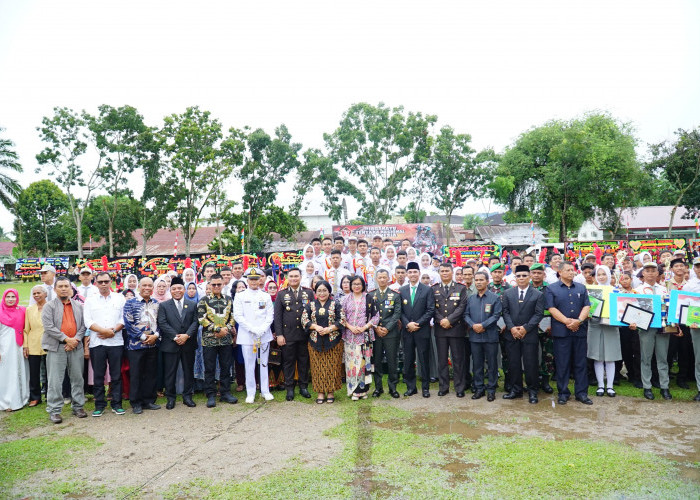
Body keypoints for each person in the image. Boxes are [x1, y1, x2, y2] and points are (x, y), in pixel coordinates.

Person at [545, 261, 593, 405]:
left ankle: (581, 393)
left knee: (580, 363)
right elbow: (552, 309)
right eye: (568, 270)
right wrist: (567, 321)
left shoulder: (581, 287)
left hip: (579, 331)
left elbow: (587, 306)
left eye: (573, 270)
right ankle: (563, 392)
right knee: (562, 363)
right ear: (560, 272)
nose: (572, 272)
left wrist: (578, 321)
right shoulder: (551, 289)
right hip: (561, 332)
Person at [41, 277, 87, 423]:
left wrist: (75, 340)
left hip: (76, 346)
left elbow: (83, 326)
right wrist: (67, 339)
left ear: (71, 288)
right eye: (60, 286)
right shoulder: (49, 306)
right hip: (57, 348)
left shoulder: (79, 306)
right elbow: (49, 327)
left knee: (77, 378)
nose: (63, 289)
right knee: (55, 380)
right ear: (55, 289)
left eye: (66, 286)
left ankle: (78, 406)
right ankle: (54, 410)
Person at [83, 272, 126, 416]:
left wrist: (112, 331)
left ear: (111, 282)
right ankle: (99, 405)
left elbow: (123, 318)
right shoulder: (90, 300)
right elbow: (88, 321)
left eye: (106, 281)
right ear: (95, 283)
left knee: (116, 375)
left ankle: (116, 403)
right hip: (97, 342)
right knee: (98, 375)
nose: (103, 284)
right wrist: (104, 331)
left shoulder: (119, 298)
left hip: (116, 342)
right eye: (100, 282)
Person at [501, 265, 545, 404]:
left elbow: (539, 314)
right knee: (514, 363)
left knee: (531, 363)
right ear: (515, 277)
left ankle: (532, 391)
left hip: (529, 334)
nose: (521, 278)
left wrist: (525, 328)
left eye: (524, 275)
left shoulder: (538, 294)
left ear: (530, 277)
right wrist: (512, 328)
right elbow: (505, 312)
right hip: (512, 334)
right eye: (518, 276)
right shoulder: (508, 293)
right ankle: (516, 390)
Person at [157, 277, 199, 409]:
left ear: (184, 289)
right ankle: (171, 398)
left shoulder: (192, 304)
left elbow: (195, 322)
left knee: (188, 371)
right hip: (171, 344)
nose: (177, 291)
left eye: (179, 288)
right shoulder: (164, 305)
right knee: (170, 372)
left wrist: (186, 335)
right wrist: (175, 337)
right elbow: (162, 323)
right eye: (174, 288)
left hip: (188, 343)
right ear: (171, 290)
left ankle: (187, 396)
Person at [233, 268, 275, 403]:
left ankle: (265, 390)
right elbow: (238, 316)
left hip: (263, 334)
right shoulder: (240, 296)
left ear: (260, 279)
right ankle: (250, 392)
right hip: (247, 335)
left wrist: (262, 330)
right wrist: (252, 329)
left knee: (263, 363)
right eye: (251, 279)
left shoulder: (265, 296)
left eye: (256, 279)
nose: (253, 282)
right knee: (249, 364)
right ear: (247, 280)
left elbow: (270, 315)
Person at [197, 273, 238, 407]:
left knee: (226, 367)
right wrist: (217, 329)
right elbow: (201, 318)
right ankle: (211, 394)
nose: (216, 286)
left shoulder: (228, 300)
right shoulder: (204, 300)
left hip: (225, 339)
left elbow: (232, 317)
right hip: (209, 339)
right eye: (213, 284)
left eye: (218, 284)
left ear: (223, 284)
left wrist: (226, 329)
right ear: (209, 285)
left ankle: (225, 393)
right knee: (209, 368)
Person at [302, 280, 344, 403]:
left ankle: (330, 392)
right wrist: (315, 327)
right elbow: (304, 320)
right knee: (317, 368)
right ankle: (320, 392)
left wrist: (329, 329)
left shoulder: (335, 304)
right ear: (315, 292)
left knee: (332, 367)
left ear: (329, 291)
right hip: (315, 341)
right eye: (319, 290)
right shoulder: (310, 305)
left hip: (333, 341)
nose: (322, 293)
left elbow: (341, 320)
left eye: (324, 290)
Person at [432, 261, 470, 398]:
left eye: (447, 271)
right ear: (439, 273)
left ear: (452, 272)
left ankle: (459, 387)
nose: (444, 273)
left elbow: (462, 306)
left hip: (456, 328)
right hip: (440, 328)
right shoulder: (434, 289)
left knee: (458, 359)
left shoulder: (461, 288)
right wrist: (442, 320)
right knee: (442, 359)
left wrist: (449, 320)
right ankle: (443, 387)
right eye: (442, 271)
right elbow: (432, 308)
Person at [123, 277, 162, 414]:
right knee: (136, 374)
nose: (147, 288)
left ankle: (148, 400)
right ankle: (136, 402)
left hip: (153, 345)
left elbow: (161, 323)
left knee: (150, 374)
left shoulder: (156, 303)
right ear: (139, 286)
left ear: (153, 288)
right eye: (144, 285)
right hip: (136, 346)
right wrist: (144, 337)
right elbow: (129, 324)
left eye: (149, 286)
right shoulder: (130, 303)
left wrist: (155, 336)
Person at [635, 262, 672, 400]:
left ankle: (664, 387)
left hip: (662, 327)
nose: (650, 273)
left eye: (653, 271)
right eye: (647, 270)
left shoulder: (663, 289)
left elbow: (669, 308)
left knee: (662, 358)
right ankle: (647, 387)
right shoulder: (638, 290)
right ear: (643, 273)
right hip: (646, 328)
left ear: (657, 273)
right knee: (646, 357)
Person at [274, 267, 313, 401]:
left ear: (300, 277)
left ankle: (303, 387)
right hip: (288, 335)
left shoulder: (308, 293)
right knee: (288, 362)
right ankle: (289, 388)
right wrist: (279, 335)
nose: (293, 279)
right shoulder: (281, 294)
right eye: (291, 276)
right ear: (287, 278)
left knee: (304, 361)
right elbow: (278, 317)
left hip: (304, 334)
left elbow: (312, 313)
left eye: (296, 276)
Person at [464, 271, 502, 401]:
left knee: (491, 364)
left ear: (487, 281)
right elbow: (466, 315)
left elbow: (496, 315)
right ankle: (479, 388)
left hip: (490, 336)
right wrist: (473, 325)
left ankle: (491, 390)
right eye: (477, 280)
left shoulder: (494, 298)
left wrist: (483, 325)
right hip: (475, 336)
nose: (479, 282)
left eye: (481, 280)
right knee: (477, 364)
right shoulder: (471, 299)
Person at [400, 262, 435, 397]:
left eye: (415, 272)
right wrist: (408, 324)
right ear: (407, 274)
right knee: (408, 359)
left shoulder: (427, 289)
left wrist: (418, 323)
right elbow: (400, 311)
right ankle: (411, 387)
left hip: (422, 330)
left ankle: (425, 388)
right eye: (410, 272)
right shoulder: (402, 290)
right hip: (407, 331)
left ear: (419, 273)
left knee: (424, 359)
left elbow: (430, 309)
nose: (413, 274)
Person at [340, 275, 379, 400]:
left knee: (363, 363)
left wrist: (365, 327)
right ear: (351, 286)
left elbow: (376, 316)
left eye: (359, 284)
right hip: (350, 335)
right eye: (354, 284)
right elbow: (341, 316)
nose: (356, 286)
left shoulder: (369, 298)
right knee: (352, 363)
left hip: (365, 336)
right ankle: (353, 389)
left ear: (363, 285)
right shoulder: (345, 299)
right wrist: (350, 327)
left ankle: (362, 390)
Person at [587, 266, 622, 398]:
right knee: (598, 356)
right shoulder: (590, 291)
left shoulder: (615, 290)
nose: (601, 277)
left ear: (609, 275)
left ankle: (610, 386)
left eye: (604, 274)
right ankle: (601, 385)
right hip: (595, 324)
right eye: (598, 274)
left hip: (610, 325)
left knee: (610, 357)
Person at [370, 269, 402, 399]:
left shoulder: (395, 295)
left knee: (392, 360)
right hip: (376, 333)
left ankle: (392, 387)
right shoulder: (371, 295)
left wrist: (387, 328)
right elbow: (369, 314)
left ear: (389, 279)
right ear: (376, 279)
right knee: (376, 361)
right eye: (380, 277)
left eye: (384, 277)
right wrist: (376, 327)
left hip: (391, 333)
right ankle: (378, 388)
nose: (382, 280)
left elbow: (397, 314)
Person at [0, 289, 29, 411]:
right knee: (7, 374)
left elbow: (26, 328)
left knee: (20, 371)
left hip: (19, 346)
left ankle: (21, 398)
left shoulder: (22, 310)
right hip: (4, 348)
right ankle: (7, 401)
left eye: (13, 297)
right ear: (4, 298)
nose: (10, 299)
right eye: (8, 297)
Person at [529, 263, 554, 393]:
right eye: (534, 273)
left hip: (546, 325)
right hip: (531, 326)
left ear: (544, 274)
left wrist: (551, 324)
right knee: (531, 354)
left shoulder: (549, 289)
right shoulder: (526, 288)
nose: (537, 275)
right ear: (530, 275)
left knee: (547, 354)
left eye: (539, 273)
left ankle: (545, 381)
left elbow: (553, 307)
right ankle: (533, 380)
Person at [23, 286, 47, 407]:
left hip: (49, 343)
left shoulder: (51, 307)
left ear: (45, 294)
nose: (36, 295)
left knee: (50, 372)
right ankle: (35, 397)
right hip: (33, 343)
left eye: (39, 293)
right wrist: (25, 345)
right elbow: (26, 329)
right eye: (34, 294)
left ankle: (49, 395)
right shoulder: (29, 310)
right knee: (34, 372)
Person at [683, 257, 700, 401]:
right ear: (694, 269)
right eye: (698, 266)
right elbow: (685, 305)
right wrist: (689, 321)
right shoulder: (689, 285)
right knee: (698, 358)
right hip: (696, 325)